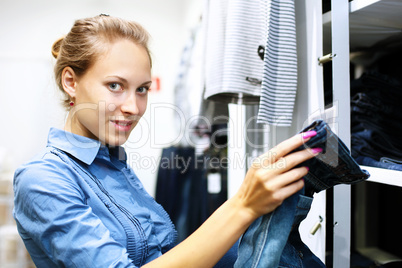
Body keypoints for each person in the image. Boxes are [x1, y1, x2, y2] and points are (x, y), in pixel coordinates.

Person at [13, 15, 321, 267]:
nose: (133, 107)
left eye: (142, 89)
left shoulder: (112, 162)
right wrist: (242, 206)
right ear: (71, 82)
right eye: (115, 86)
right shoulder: (42, 180)